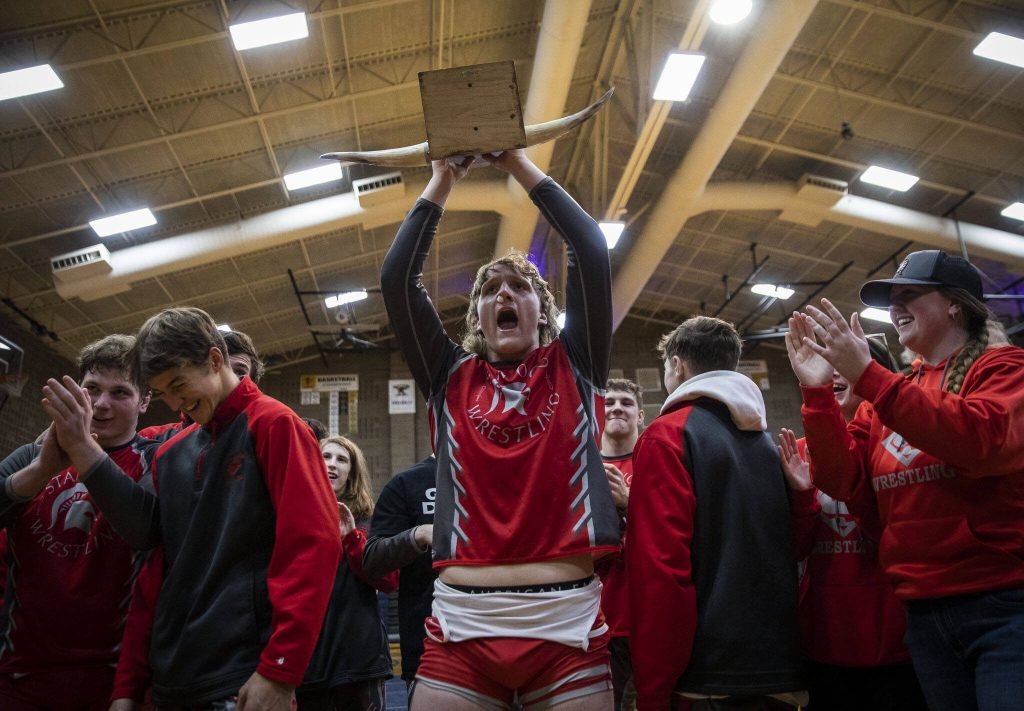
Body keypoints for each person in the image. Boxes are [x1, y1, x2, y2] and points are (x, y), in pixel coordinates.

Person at [380, 149, 620, 710]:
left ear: (544, 311)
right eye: (491, 290)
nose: (504, 295)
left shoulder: (577, 362)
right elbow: (398, 279)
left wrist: (515, 163)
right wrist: (443, 179)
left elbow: (591, 250)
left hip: (568, 625)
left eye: (519, 288)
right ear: (479, 318)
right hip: (462, 625)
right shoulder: (448, 376)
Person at [42, 306, 341, 711]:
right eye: (162, 391)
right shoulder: (169, 455)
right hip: (173, 681)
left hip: (243, 677)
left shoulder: (274, 425)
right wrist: (127, 687)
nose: (173, 401)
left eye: (179, 384)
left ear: (215, 360)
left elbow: (314, 547)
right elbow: (155, 578)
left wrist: (280, 669)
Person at [785, 249, 1024, 711]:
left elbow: (980, 439)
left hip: (1001, 605)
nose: (895, 309)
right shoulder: (890, 397)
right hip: (922, 610)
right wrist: (816, 392)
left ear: (955, 303)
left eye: (909, 295)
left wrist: (868, 375)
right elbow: (841, 480)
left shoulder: (1004, 368)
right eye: (890, 300)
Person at [627, 316, 805, 711]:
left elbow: (661, 572)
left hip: (704, 678)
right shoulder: (766, 445)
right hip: (779, 669)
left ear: (677, 366)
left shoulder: (666, 436)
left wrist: (653, 691)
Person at [0, 335, 152, 711]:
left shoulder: (157, 463)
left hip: (107, 678)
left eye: (120, 393)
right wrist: (41, 470)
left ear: (146, 401)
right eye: (91, 389)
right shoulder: (35, 454)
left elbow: (145, 530)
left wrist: (83, 449)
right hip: (20, 672)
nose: (101, 404)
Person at [778, 340, 926, 711]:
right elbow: (793, 551)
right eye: (827, 363)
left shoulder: (903, 448)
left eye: (846, 362)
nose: (835, 371)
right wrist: (801, 497)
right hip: (826, 639)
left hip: (898, 640)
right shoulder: (797, 451)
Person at [298, 435, 396, 711]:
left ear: (351, 473)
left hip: (358, 656)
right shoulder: (293, 513)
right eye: (326, 456)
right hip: (308, 656)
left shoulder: (369, 519)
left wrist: (351, 537)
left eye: (341, 459)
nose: (332, 464)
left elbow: (388, 580)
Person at [363, 456, 437, 684]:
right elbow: (373, 561)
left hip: (505, 636)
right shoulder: (406, 483)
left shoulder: (496, 473)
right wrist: (418, 535)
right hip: (428, 645)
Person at [598, 379, 644, 711]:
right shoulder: (580, 466)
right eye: (609, 401)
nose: (616, 407)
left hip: (650, 619)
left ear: (640, 414)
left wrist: (631, 504)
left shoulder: (659, 460)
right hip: (596, 621)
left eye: (626, 403)